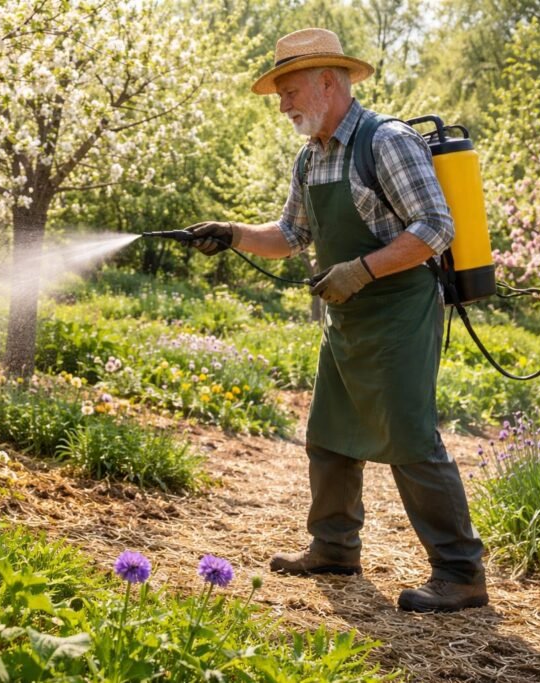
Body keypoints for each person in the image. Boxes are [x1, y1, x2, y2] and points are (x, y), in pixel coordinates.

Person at [185, 27, 488, 613]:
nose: (282, 104)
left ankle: (460, 573)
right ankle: (333, 547)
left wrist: (361, 271)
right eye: (279, 93)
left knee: (410, 439)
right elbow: (292, 235)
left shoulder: (387, 142)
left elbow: (434, 227)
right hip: (348, 315)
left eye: (289, 90)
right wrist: (233, 234)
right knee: (327, 436)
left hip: (399, 311)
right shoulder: (311, 157)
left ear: (328, 81)